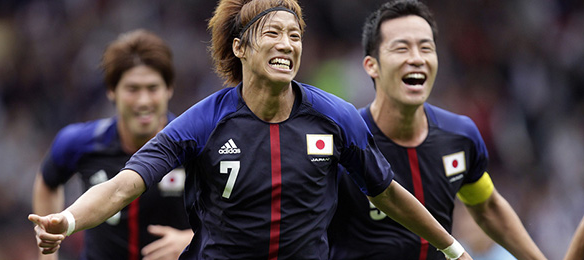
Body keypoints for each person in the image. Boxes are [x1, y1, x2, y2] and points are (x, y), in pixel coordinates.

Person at [28, 1, 472, 259]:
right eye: (272, 33)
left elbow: (387, 192)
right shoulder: (204, 121)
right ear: (239, 47)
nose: (286, 44)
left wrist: (451, 249)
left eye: (294, 35)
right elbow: (127, 184)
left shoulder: (336, 117)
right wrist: (66, 221)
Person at [327, 1, 546, 259]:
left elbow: (488, 208)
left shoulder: (460, 136)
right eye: (401, 48)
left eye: (426, 48)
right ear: (371, 65)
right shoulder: (342, 144)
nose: (417, 59)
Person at [31, 29, 193, 260]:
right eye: (133, 89)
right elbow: (47, 182)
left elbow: (237, 211)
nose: (144, 101)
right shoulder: (79, 143)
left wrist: (192, 238)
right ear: (111, 91)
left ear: (169, 89)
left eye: (152, 88)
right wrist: (47, 254)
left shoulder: (195, 144)